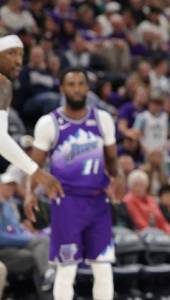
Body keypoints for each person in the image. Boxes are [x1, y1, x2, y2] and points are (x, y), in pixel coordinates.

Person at [26, 68, 121, 300]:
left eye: (81, 84)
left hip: (98, 202)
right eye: (71, 84)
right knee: (67, 268)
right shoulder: (49, 123)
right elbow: (33, 166)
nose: (77, 89)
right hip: (66, 202)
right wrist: (30, 193)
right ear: (62, 89)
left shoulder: (103, 119)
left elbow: (112, 159)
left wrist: (118, 179)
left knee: (103, 268)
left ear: (87, 88)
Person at [0, 34, 63, 200]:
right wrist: (36, 172)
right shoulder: (2, 84)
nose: (18, 61)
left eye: (21, 55)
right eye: (11, 53)